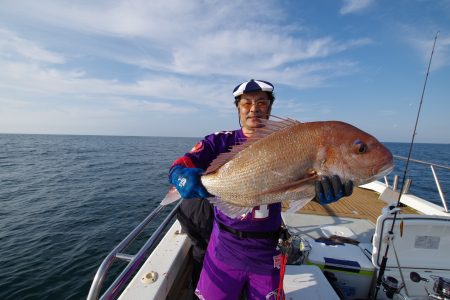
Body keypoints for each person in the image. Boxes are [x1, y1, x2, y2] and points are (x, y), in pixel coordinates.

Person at [169, 79, 353, 299]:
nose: (254, 108)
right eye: (246, 103)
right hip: (224, 245)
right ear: (238, 108)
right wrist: (181, 178)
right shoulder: (219, 141)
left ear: (270, 108)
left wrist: (317, 193)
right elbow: (178, 167)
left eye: (262, 103)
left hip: (267, 249)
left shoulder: (288, 141)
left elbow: (295, 185)